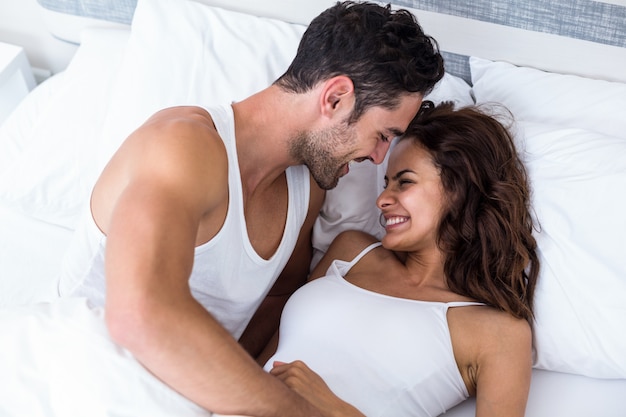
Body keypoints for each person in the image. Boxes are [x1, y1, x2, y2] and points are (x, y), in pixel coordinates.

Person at [57, 1, 445, 416]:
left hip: (186, 396)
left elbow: (279, 293)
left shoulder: (307, 186)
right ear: (335, 98)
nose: (379, 156)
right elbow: (137, 313)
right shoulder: (184, 148)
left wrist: (236, 394)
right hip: (82, 378)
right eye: (383, 134)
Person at [264, 101, 540, 417]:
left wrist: (335, 411)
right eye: (386, 183)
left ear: (460, 189)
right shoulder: (351, 251)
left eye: (404, 182)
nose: (382, 200)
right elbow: (260, 363)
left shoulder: (499, 333)